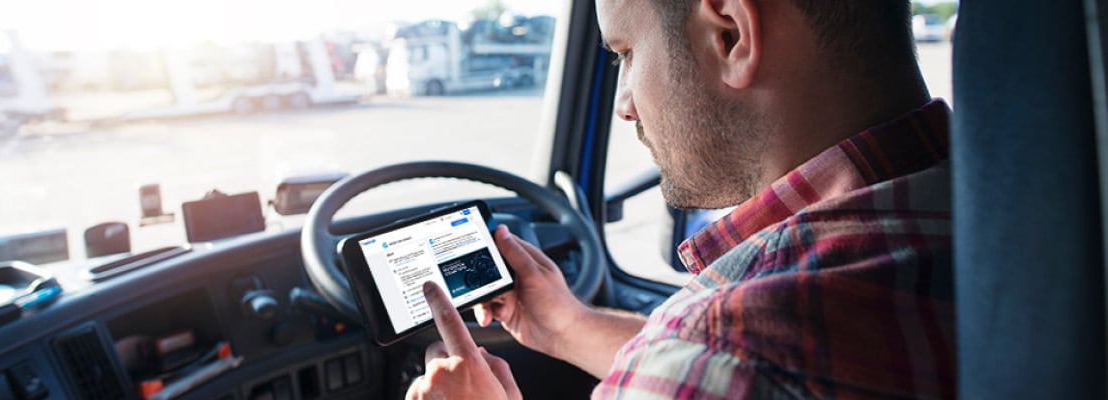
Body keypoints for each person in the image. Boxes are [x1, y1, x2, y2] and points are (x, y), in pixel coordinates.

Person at [406, 0, 955, 398]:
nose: (624, 105)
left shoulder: (722, 354)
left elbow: (717, 359)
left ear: (730, 35)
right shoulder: (992, 209)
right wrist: (567, 326)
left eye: (624, 52)